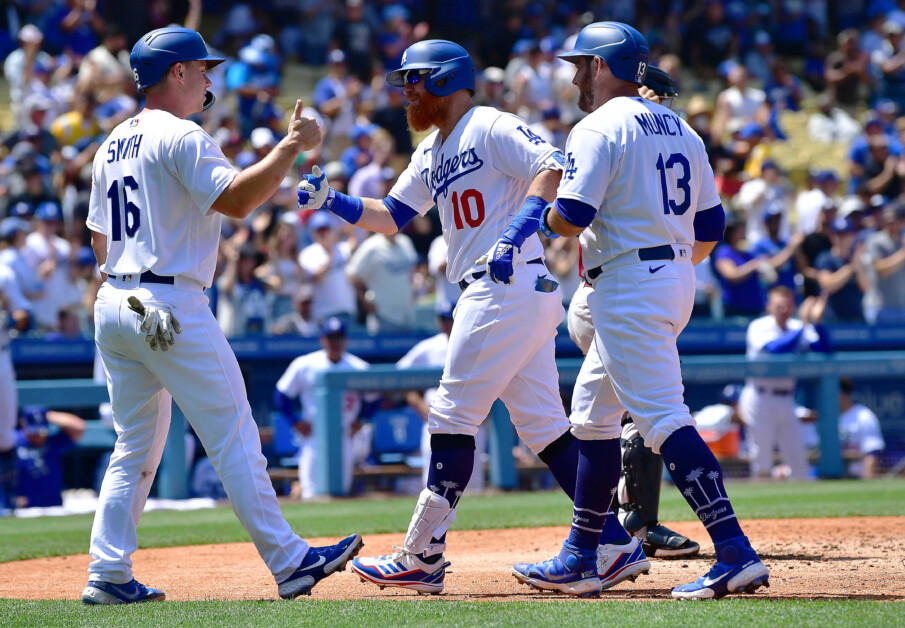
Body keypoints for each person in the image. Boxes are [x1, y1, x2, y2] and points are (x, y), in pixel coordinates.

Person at [299, 39, 640, 594]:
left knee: (451, 413)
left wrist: (518, 228)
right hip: (505, 290)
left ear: (444, 79)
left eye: (415, 79)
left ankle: (422, 553)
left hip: (503, 282)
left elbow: (552, 165)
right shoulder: (433, 150)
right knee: (546, 428)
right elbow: (392, 214)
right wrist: (332, 201)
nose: (407, 91)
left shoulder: (488, 124)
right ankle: (609, 542)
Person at [83, 27, 362, 605]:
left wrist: (127, 284)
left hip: (116, 298)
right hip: (168, 299)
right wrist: (289, 147)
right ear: (176, 73)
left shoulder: (111, 141)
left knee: (133, 445)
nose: (210, 77)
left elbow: (97, 239)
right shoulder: (183, 134)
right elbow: (236, 201)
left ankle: (108, 572)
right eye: (201, 68)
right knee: (234, 432)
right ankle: (289, 561)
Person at [513, 22, 769, 600]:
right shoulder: (681, 127)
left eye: (582, 65)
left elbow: (573, 215)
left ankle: (734, 551)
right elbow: (710, 228)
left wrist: (536, 216)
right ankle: (585, 554)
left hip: (629, 280)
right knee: (591, 417)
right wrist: (671, 260)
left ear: (603, 67)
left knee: (662, 419)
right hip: (672, 275)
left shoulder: (597, 125)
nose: (576, 75)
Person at [567, 65, 700, 560]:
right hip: (601, 290)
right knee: (636, 412)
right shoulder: (611, 130)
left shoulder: (640, 132)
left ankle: (615, 532)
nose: (661, 101)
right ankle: (628, 524)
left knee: (616, 410)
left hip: (631, 284)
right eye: (654, 94)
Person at [273, 317, 370, 500]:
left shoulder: (358, 367)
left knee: (341, 489)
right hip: (314, 434)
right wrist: (295, 422)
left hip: (344, 434)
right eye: (331, 338)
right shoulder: (305, 364)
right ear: (322, 339)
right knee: (309, 489)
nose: (335, 343)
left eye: (338, 338)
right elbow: (281, 394)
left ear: (345, 340)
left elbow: (374, 398)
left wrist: (362, 420)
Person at [739, 287, 831, 480]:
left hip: (787, 399)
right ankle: (759, 505)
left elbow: (824, 350)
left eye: (788, 305)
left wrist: (818, 322)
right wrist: (805, 323)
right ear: (769, 306)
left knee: (798, 461)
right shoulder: (759, 326)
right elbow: (776, 349)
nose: (784, 310)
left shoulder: (797, 326)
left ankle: (805, 508)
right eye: (779, 305)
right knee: (761, 459)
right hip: (760, 397)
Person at [396, 301, 486, 492]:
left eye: (450, 319)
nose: (447, 324)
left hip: (471, 420)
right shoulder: (429, 347)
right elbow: (400, 378)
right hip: (435, 422)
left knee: (473, 485)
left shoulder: (478, 342)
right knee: (433, 485)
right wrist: (420, 406)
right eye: (444, 319)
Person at [0, 258, 30, 515]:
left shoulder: (4, 273)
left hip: (1, 354)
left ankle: (7, 498)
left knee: (4, 433)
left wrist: (8, 316)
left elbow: (23, 316)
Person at [14, 406, 86, 508]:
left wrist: (45, 415)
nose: (38, 436)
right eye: (34, 431)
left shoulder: (53, 442)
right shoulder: (13, 442)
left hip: (53, 506)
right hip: (23, 508)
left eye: (41, 431)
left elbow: (79, 427)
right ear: (23, 424)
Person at [837, 378, 886, 479]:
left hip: (857, 476)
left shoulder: (864, 416)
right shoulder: (827, 418)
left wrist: (866, 481)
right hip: (830, 478)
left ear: (841, 394)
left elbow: (872, 453)